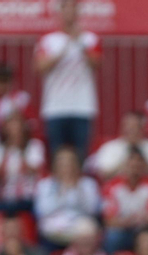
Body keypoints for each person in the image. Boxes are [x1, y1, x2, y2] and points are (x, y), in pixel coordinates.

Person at [35, 0, 101, 160]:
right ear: (60, 12)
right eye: (66, 8)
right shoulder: (48, 40)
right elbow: (40, 67)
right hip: (55, 107)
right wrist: (64, 49)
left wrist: (79, 42)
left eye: (73, 8)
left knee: (80, 155)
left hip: (82, 106)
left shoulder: (90, 39)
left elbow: (96, 63)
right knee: (56, 155)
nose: (70, 13)